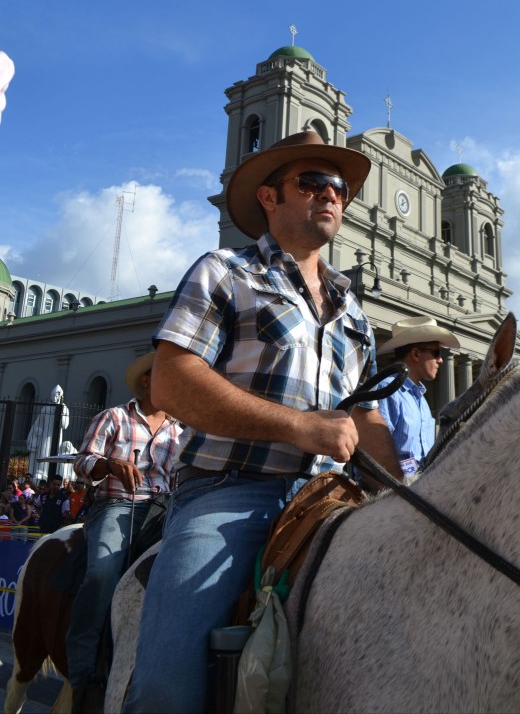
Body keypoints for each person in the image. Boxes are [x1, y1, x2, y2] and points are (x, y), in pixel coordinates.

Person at [124, 131, 401, 714]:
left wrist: (405, 492)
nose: (331, 195)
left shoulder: (354, 308)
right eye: (311, 182)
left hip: (331, 499)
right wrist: (297, 427)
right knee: (164, 690)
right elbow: (173, 382)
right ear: (270, 198)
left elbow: (366, 415)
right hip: (229, 495)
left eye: (339, 187)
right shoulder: (225, 271)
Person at [65, 353, 181, 713]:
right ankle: (81, 672)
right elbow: (81, 462)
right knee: (101, 573)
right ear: (147, 381)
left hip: (167, 510)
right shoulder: (113, 417)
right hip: (117, 506)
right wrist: (109, 465)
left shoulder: (181, 430)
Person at [376, 316, 460, 475]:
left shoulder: (421, 399)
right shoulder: (387, 390)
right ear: (416, 354)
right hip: (394, 493)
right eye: (436, 353)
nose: (440, 360)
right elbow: (376, 454)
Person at [26, 384, 69, 477]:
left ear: (60, 396)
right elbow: (39, 422)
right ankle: (41, 472)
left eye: (56, 395)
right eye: (52, 395)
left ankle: (52, 473)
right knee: (43, 451)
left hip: (56, 435)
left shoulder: (64, 408)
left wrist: (62, 412)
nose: (54, 397)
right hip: (45, 435)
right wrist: (38, 429)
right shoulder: (46, 408)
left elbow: (65, 425)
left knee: (55, 452)